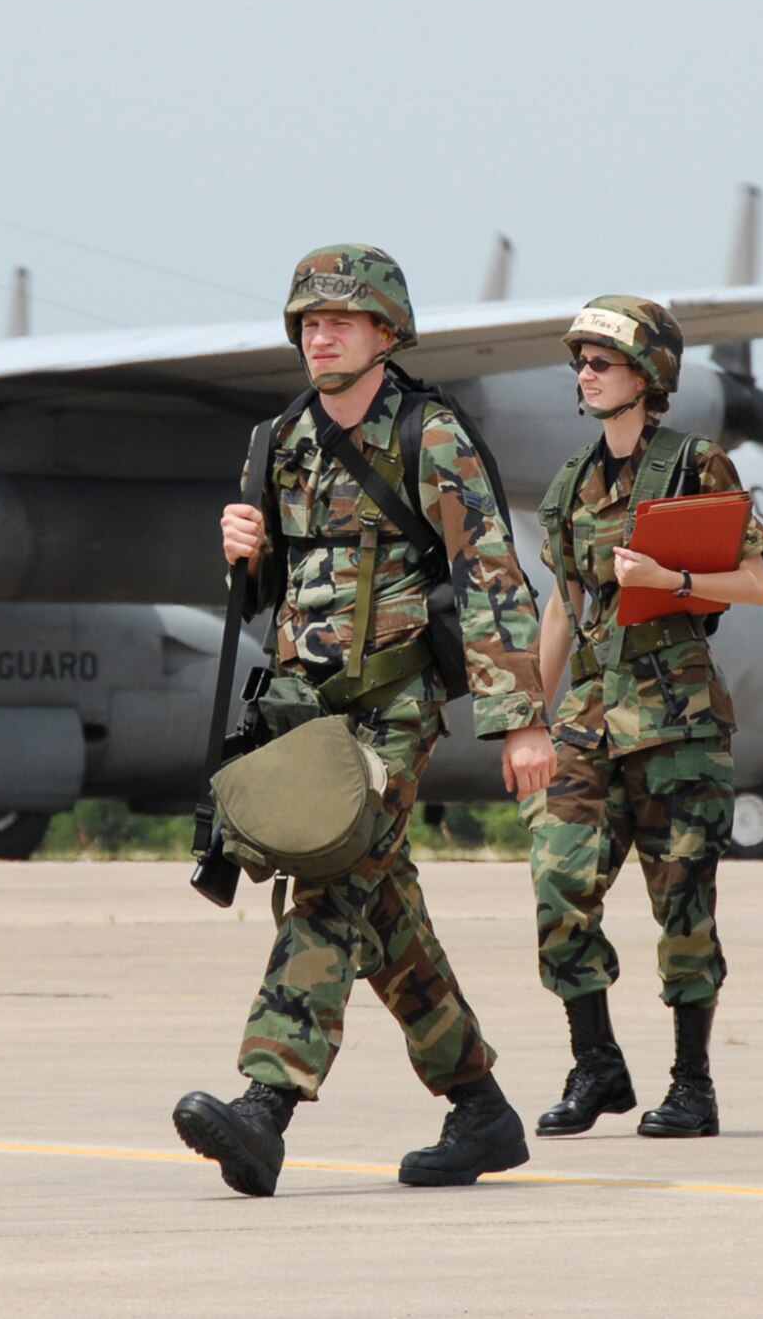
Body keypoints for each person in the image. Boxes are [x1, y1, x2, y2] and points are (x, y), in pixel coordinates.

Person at [171, 245, 556, 1196]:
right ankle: (480, 1107)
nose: (321, 334)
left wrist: (521, 720)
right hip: (305, 710)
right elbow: (274, 592)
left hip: (393, 706)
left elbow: (493, 574)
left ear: (387, 332)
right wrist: (243, 554)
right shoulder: (279, 439)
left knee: (333, 886)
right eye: (308, 320)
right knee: (384, 908)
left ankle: (264, 1103)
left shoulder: (430, 436)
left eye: (341, 319)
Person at [529, 297, 763, 1141]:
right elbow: (563, 605)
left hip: (679, 726)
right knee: (558, 884)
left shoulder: (698, 466)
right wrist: (534, 713)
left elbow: (753, 583)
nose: (586, 375)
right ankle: (596, 1062)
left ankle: (692, 1085)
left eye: (603, 361)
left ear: (649, 375)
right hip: (591, 725)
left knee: (684, 910)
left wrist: (671, 579)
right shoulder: (570, 483)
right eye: (582, 363)